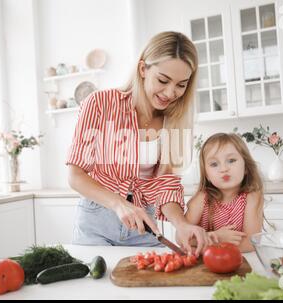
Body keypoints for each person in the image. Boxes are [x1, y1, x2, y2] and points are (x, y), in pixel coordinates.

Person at [66, 31, 211, 256]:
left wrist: (181, 224)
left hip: (144, 227)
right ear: (143, 69)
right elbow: (76, 175)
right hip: (96, 222)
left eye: (181, 85)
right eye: (163, 80)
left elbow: (165, 185)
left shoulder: (174, 120)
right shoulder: (100, 103)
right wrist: (119, 203)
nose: (171, 93)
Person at [183, 133, 264, 252]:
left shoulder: (252, 198)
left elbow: (250, 244)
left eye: (231, 160)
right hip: (203, 264)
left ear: (246, 167)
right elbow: (182, 238)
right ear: (207, 175)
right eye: (214, 164)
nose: (223, 169)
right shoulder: (201, 199)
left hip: (237, 262)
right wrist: (217, 237)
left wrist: (204, 243)